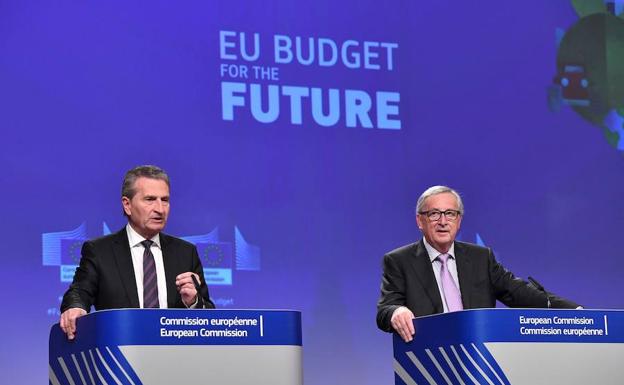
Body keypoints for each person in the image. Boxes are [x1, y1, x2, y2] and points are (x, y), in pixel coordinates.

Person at [376, 185, 579, 342]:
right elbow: (385, 311)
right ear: (420, 221)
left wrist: (577, 312)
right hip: (429, 359)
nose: (443, 221)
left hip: (479, 358)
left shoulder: (480, 258)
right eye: (434, 214)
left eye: (450, 214)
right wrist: (396, 311)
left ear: (459, 220)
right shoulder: (399, 260)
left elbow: (520, 293)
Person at [60, 165, 215, 339]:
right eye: (150, 199)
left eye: (165, 200)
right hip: (121, 354)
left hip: (176, 358)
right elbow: (79, 292)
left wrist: (194, 302)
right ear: (127, 205)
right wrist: (75, 307)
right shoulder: (99, 251)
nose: (160, 209)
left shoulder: (186, 252)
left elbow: (210, 317)